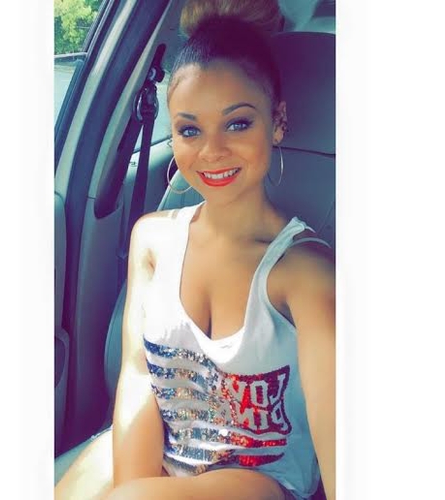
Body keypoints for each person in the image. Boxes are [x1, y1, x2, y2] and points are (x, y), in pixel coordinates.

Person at [55, 0, 335, 498]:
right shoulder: (151, 239)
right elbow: (140, 378)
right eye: (189, 129)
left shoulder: (304, 271)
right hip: (163, 466)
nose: (211, 151)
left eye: (238, 123)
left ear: (277, 121)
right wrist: (135, 488)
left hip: (259, 481)